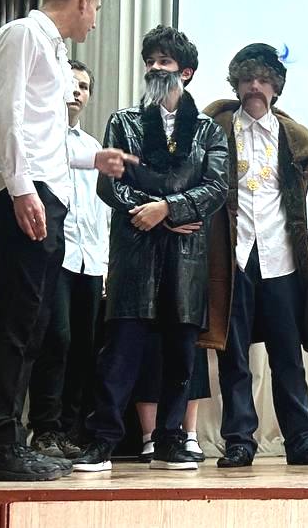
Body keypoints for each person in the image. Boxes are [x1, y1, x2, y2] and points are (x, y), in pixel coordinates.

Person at [0, 0, 134, 482]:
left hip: (47, 191)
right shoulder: (24, 34)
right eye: (96, 9)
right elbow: (5, 115)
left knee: (35, 321)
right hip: (27, 191)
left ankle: (9, 439)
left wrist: (93, 158)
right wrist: (21, 188)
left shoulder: (56, 51)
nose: (95, 20)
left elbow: (46, 136)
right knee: (17, 316)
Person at [72, 26, 229, 472]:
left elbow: (217, 187)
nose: (155, 68)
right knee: (120, 353)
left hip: (186, 257)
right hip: (135, 250)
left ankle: (170, 440)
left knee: (180, 355)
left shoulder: (208, 131)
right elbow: (110, 184)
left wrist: (169, 209)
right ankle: (101, 441)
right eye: (151, 61)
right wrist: (153, 210)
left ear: (187, 72)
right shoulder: (124, 122)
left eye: (165, 61)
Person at [202, 43, 308, 467]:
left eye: (263, 80)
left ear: (276, 87)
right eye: (247, 79)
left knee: (287, 355)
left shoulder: (293, 136)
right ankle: (239, 441)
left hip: (280, 255)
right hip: (234, 255)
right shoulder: (217, 129)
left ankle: (300, 440)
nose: (254, 87)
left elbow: (305, 178)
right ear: (236, 84)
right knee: (234, 354)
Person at [27, 60, 110, 461]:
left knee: (83, 346)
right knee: (54, 340)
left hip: (90, 259)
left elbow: (102, 209)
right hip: (55, 256)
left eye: (84, 86)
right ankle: (44, 428)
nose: (77, 91)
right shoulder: (41, 138)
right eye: (71, 83)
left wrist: (106, 262)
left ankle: (70, 432)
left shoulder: (93, 148)